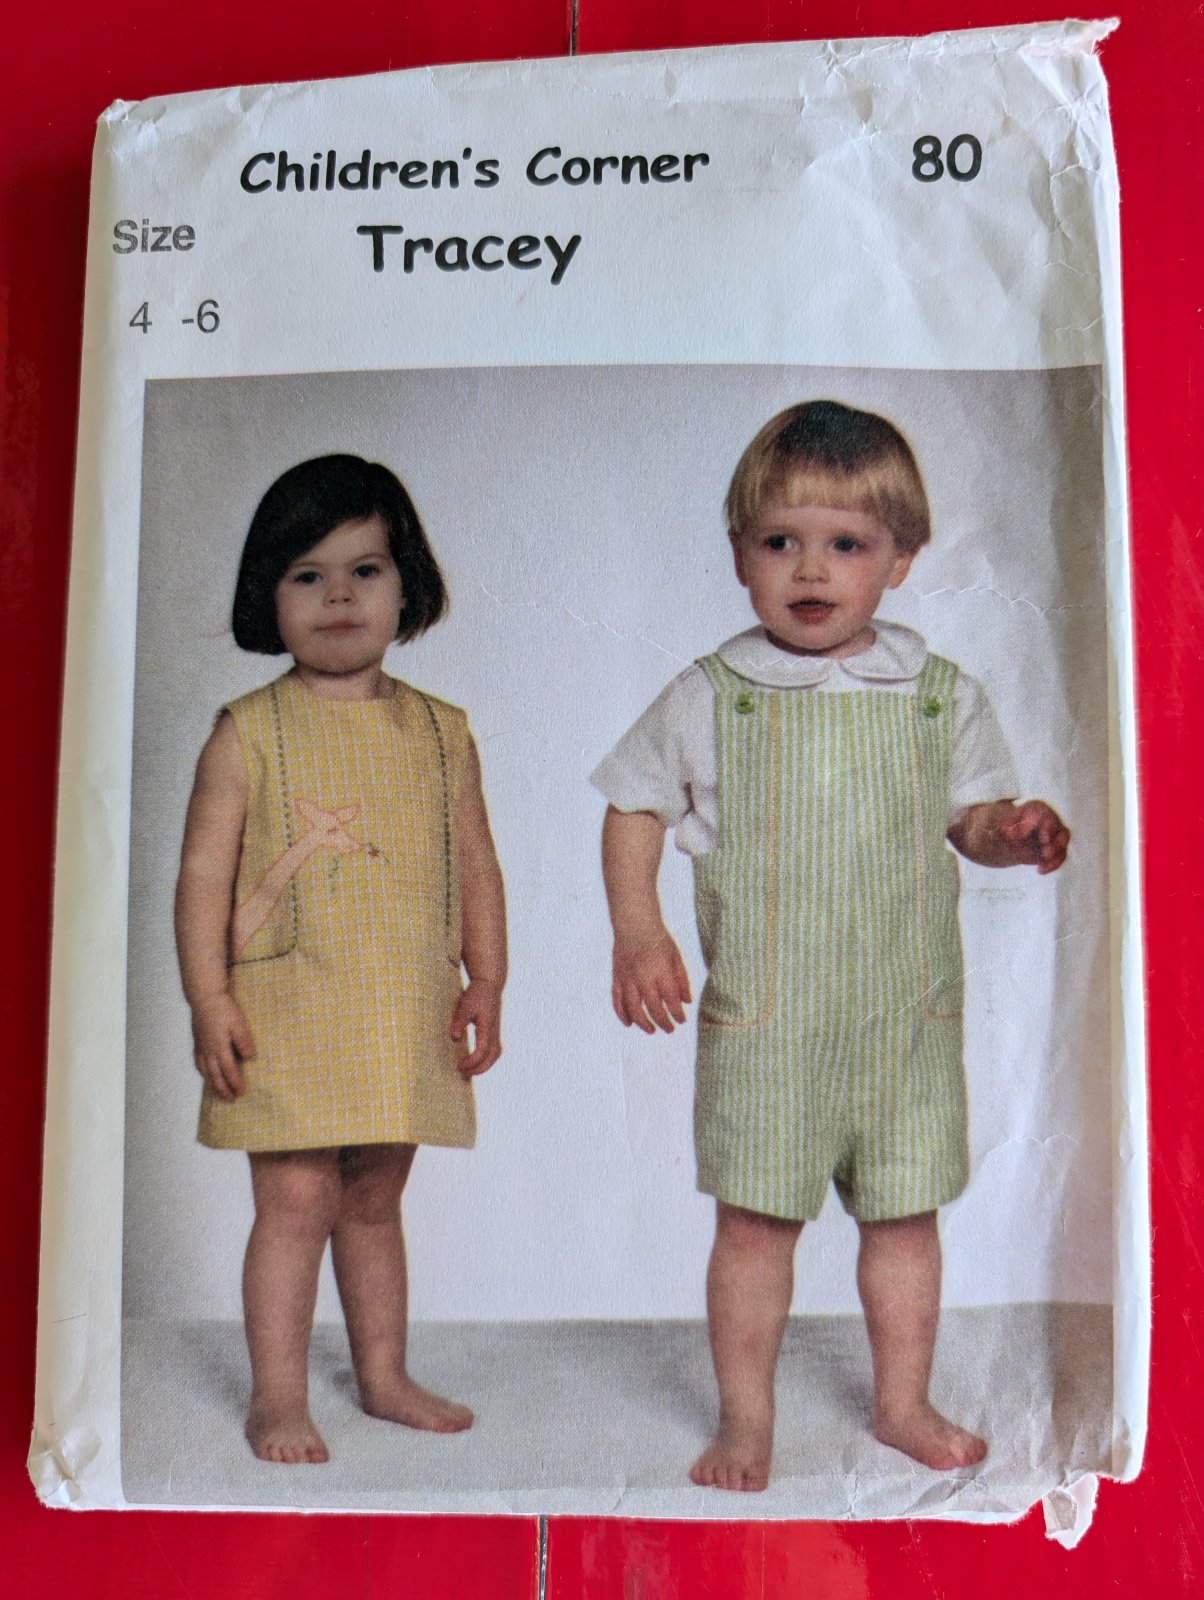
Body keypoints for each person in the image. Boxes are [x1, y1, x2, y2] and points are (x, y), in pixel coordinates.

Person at [592, 401, 1069, 1491]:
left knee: (904, 1221)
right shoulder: (712, 696)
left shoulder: (936, 697)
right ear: (739, 557)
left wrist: (1012, 831)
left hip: (904, 1025)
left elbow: (971, 819)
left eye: (846, 544)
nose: (811, 568)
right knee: (755, 1228)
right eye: (780, 541)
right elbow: (632, 807)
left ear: (900, 561)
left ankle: (902, 1403)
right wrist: (638, 929)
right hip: (769, 1026)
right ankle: (744, 1422)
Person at [176, 454, 506, 1465]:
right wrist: (207, 997)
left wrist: (487, 978)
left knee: (372, 1199)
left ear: (407, 585)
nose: (338, 598)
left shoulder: (442, 733)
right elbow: (201, 879)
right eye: (306, 575)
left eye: (365, 570)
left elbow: (476, 863)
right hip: (286, 1006)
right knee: (295, 1202)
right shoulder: (248, 734)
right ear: (267, 594)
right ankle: (278, 1395)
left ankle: (383, 1375)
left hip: (398, 1004)